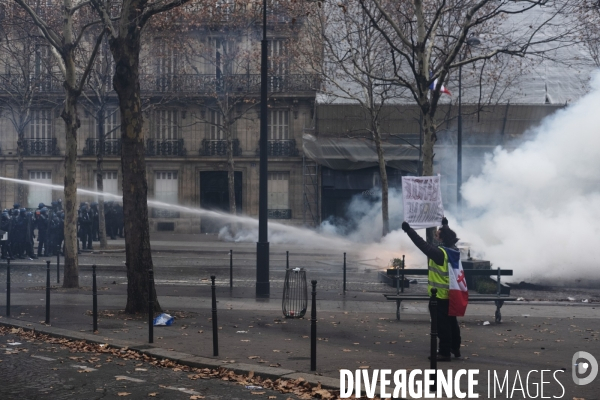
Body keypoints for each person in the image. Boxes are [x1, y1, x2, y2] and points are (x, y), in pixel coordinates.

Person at [401, 217, 462, 362]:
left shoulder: (440, 254)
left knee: (442, 325)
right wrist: (445, 225)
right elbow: (447, 238)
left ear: (442, 238)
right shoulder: (453, 250)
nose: (435, 236)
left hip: (439, 295)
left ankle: (444, 352)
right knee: (452, 322)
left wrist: (409, 230)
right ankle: (455, 347)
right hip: (451, 292)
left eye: (437, 234)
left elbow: (422, 245)